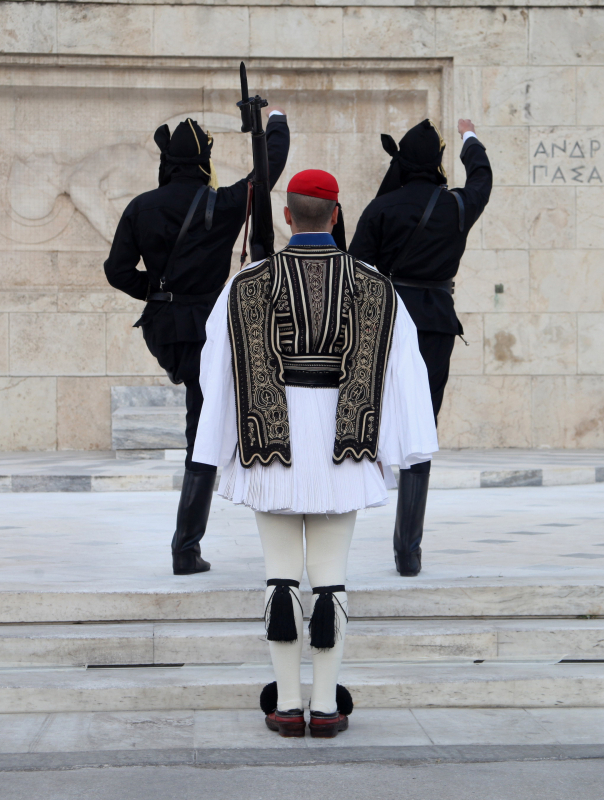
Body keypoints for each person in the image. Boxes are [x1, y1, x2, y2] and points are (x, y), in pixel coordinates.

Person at [192, 169, 437, 738]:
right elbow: (405, 369)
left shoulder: (246, 283)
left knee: (279, 578)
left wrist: (219, 445)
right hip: (342, 451)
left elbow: (217, 368)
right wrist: (403, 447)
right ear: (336, 214)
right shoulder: (376, 286)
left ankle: (283, 704)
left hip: (268, 445)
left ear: (286, 216)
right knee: (330, 582)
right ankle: (325, 706)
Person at [104, 112, 290, 575]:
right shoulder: (224, 203)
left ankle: (188, 544)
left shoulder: (140, 207)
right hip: (210, 330)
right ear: (205, 160)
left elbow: (117, 271)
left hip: (166, 330)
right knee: (202, 431)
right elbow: (265, 172)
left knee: (202, 416)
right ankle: (185, 548)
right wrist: (273, 124)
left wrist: (159, 289)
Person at [348, 118, 492, 576]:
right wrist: (470, 139)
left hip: (387, 323)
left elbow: (355, 272)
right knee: (419, 433)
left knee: (363, 423)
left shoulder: (380, 209)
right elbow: (483, 178)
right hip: (432, 324)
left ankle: (333, 532)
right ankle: (408, 552)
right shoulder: (456, 208)